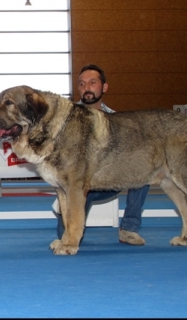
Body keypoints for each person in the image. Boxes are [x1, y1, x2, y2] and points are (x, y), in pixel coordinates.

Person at [53, 64, 150, 245]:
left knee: (143, 170)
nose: (86, 88)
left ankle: (129, 229)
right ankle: (72, 229)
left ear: (104, 87)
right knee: (63, 235)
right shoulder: (65, 120)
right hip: (78, 184)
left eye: (92, 82)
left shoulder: (117, 120)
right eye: (81, 84)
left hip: (109, 180)